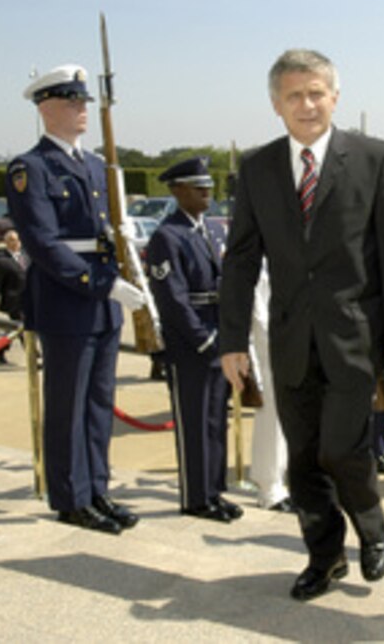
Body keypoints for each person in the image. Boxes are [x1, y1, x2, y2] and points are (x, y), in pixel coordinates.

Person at [219, 49, 384, 602]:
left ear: (335, 97)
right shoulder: (257, 168)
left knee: (343, 448)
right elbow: (240, 257)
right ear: (276, 104)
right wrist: (232, 340)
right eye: (293, 95)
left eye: (315, 93)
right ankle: (324, 557)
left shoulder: (376, 158)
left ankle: (372, 525)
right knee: (304, 457)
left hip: (355, 336)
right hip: (288, 338)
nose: (306, 105)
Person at [5, 64, 146, 535]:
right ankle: (70, 496)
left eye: (83, 101)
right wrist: (101, 284)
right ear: (46, 109)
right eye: (71, 102)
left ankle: (97, 489)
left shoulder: (93, 164)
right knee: (67, 404)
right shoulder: (32, 167)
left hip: (102, 299)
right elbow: (43, 243)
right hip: (68, 300)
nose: (82, 109)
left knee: (99, 403)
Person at [145, 156, 241, 523]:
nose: (207, 194)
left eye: (209, 188)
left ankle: (214, 491)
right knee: (194, 422)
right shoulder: (167, 236)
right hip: (191, 343)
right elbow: (172, 298)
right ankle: (196, 497)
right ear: (177, 191)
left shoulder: (210, 230)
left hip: (217, 335)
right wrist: (202, 339)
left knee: (216, 419)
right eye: (199, 189)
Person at [247, 262, 294, 513]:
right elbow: (258, 316)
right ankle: (269, 487)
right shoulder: (261, 260)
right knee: (272, 419)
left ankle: (280, 479)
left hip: (289, 343)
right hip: (272, 349)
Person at [0, 228, 28, 363]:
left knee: (13, 331)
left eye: (17, 240)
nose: (15, 243)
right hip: (13, 302)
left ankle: (0, 349)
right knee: (23, 327)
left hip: (27, 300)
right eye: (11, 240)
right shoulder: (2, 261)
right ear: (6, 242)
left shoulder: (26, 257)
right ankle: (34, 356)